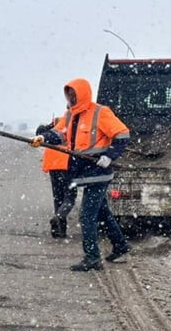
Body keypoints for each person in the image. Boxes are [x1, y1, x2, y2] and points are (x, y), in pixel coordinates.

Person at [31, 78, 132, 271]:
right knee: (102, 211)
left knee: (86, 216)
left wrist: (109, 156)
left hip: (98, 172)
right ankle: (120, 245)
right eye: (68, 94)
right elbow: (59, 134)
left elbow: (122, 135)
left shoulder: (100, 112)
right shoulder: (70, 115)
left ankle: (92, 257)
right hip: (82, 172)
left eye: (73, 94)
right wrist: (43, 137)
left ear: (82, 94)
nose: (70, 98)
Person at [32, 116, 76, 239]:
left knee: (58, 197)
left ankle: (59, 231)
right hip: (67, 163)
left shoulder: (58, 121)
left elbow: (41, 132)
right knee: (70, 197)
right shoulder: (78, 122)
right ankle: (60, 216)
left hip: (53, 163)